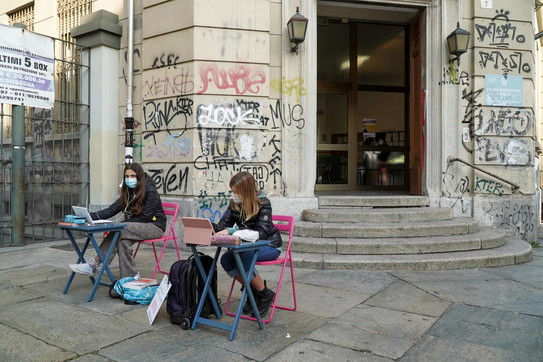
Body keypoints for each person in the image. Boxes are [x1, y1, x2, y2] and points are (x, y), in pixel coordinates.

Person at [68, 163, 166, 279]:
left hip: (155, 226)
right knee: (122, 242)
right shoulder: (129, 192)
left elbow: (145, 217)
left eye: (133, 176)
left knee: (120, 228)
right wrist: (87, 216)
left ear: (139, 176)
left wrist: (122, 225)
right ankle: (131, 278)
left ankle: (94, 264)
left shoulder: (150, 191)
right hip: (135, 228)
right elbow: (111, 210)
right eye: (127, 176)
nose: (129, 179)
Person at [214, 171, 281, 317]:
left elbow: (261, 233)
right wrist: (208, 227)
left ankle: (263, 294)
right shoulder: (234, 204)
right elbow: (223, 226)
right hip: (246, 246)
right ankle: (255, 292)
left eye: (236, 192)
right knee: (226, 260)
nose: (234, 195)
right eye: (233, 192)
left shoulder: (264, 203)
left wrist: (233, 231)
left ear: (246, 191)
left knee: (244, 258)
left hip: (269, 245)